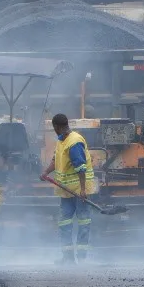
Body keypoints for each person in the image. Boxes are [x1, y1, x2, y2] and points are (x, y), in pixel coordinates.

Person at [41, 113, 96, 264]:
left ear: (57, 127)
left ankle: (82, 258)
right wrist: (46, 172)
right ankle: (68, 257)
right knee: (64, 222)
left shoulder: (74, 142)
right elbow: (56, 159)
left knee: (83, 222)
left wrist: (83, 190)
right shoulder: (61, 141)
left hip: (79, 191)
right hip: (66, 191)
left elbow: (81, 167)